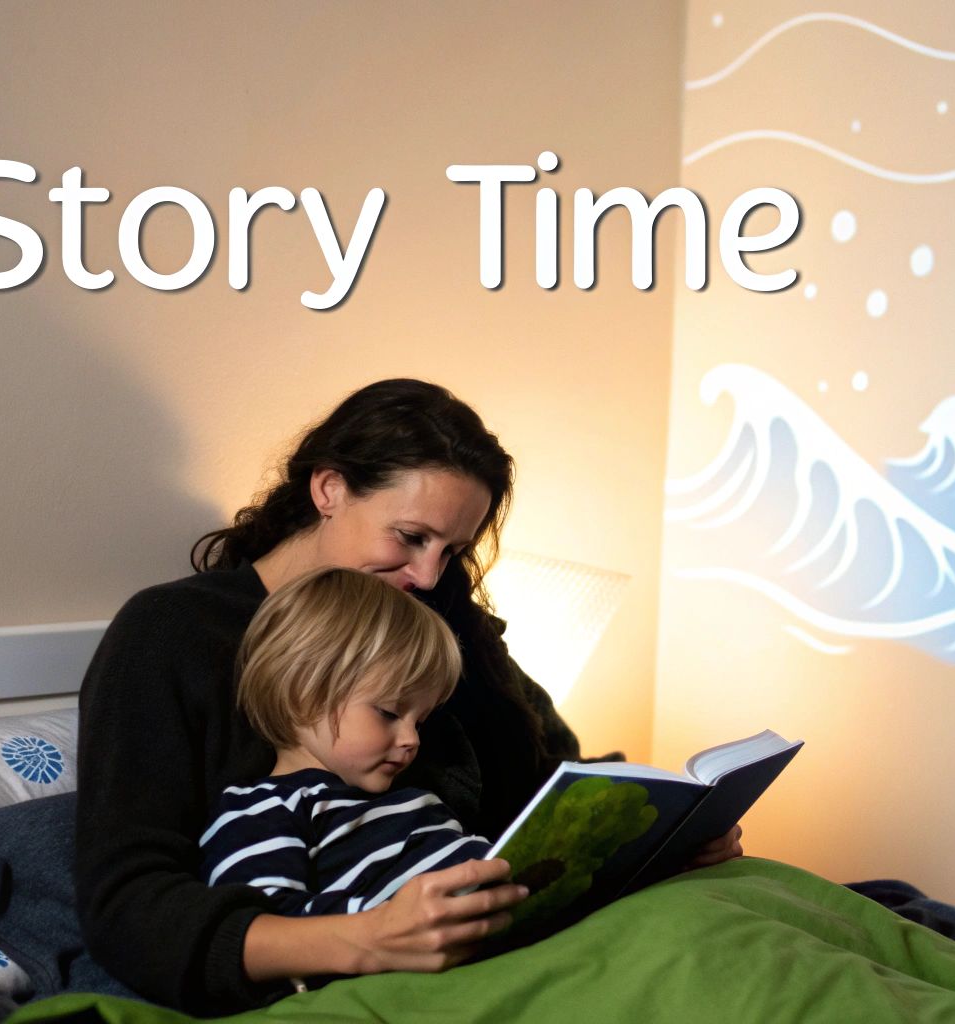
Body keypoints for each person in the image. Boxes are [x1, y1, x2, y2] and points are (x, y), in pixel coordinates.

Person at [75, 379, 743, 1014]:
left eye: (451, 551)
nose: (427, 574)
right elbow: (130, 902)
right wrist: (367, 938)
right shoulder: (174, 636)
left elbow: (543, 789)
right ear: (329, 488)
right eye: (411, 537)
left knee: (750, 925)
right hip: (384, 976)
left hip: (516, 941)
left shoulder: (445, 621)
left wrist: (657, 839)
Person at [201, 567, 493, 918]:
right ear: (302, 695)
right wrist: (383, 921)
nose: (412, 739)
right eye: (388, 712)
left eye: (420, 721)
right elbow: (272, 926)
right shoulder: (262, 812)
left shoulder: (411, 799)